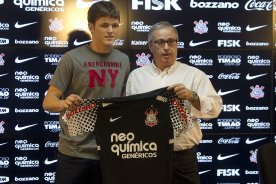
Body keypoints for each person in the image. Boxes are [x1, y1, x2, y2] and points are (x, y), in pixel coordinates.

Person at [42, 1, 130, 184]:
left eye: (115, 25)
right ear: (91, 27)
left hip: (109, 151)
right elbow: (48, 101)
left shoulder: (123, 60)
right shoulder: (71, 59)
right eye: (104, 25)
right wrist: (62, 104)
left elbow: (125, 103)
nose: (111, 31)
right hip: (74, 152)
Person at [126, 21, 222, 184]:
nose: (166, 47)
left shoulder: (195, 75)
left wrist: (193, 96)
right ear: (150, 46)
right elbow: (130, 116)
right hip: (148, 155)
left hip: (183, 158)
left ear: (177, 44)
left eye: (171, 41)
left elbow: (215, 110)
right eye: (160, 42)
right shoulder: (136, 77)